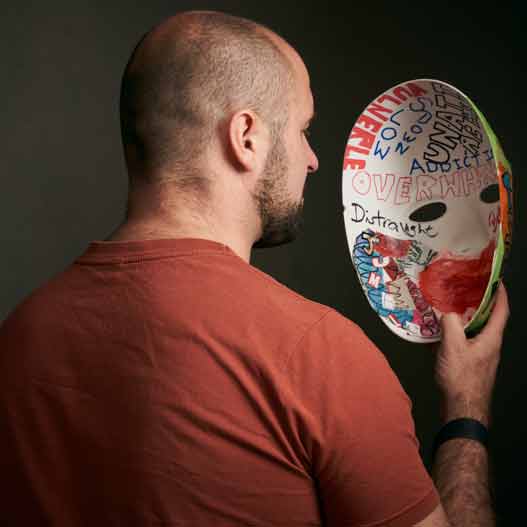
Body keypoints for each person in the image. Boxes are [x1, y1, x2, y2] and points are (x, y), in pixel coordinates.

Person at [0, 10, 509, 526]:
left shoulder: (19, 338)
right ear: (246, 137)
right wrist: (466, 409)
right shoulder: (316, 354)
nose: (312, 159)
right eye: (303, 129)